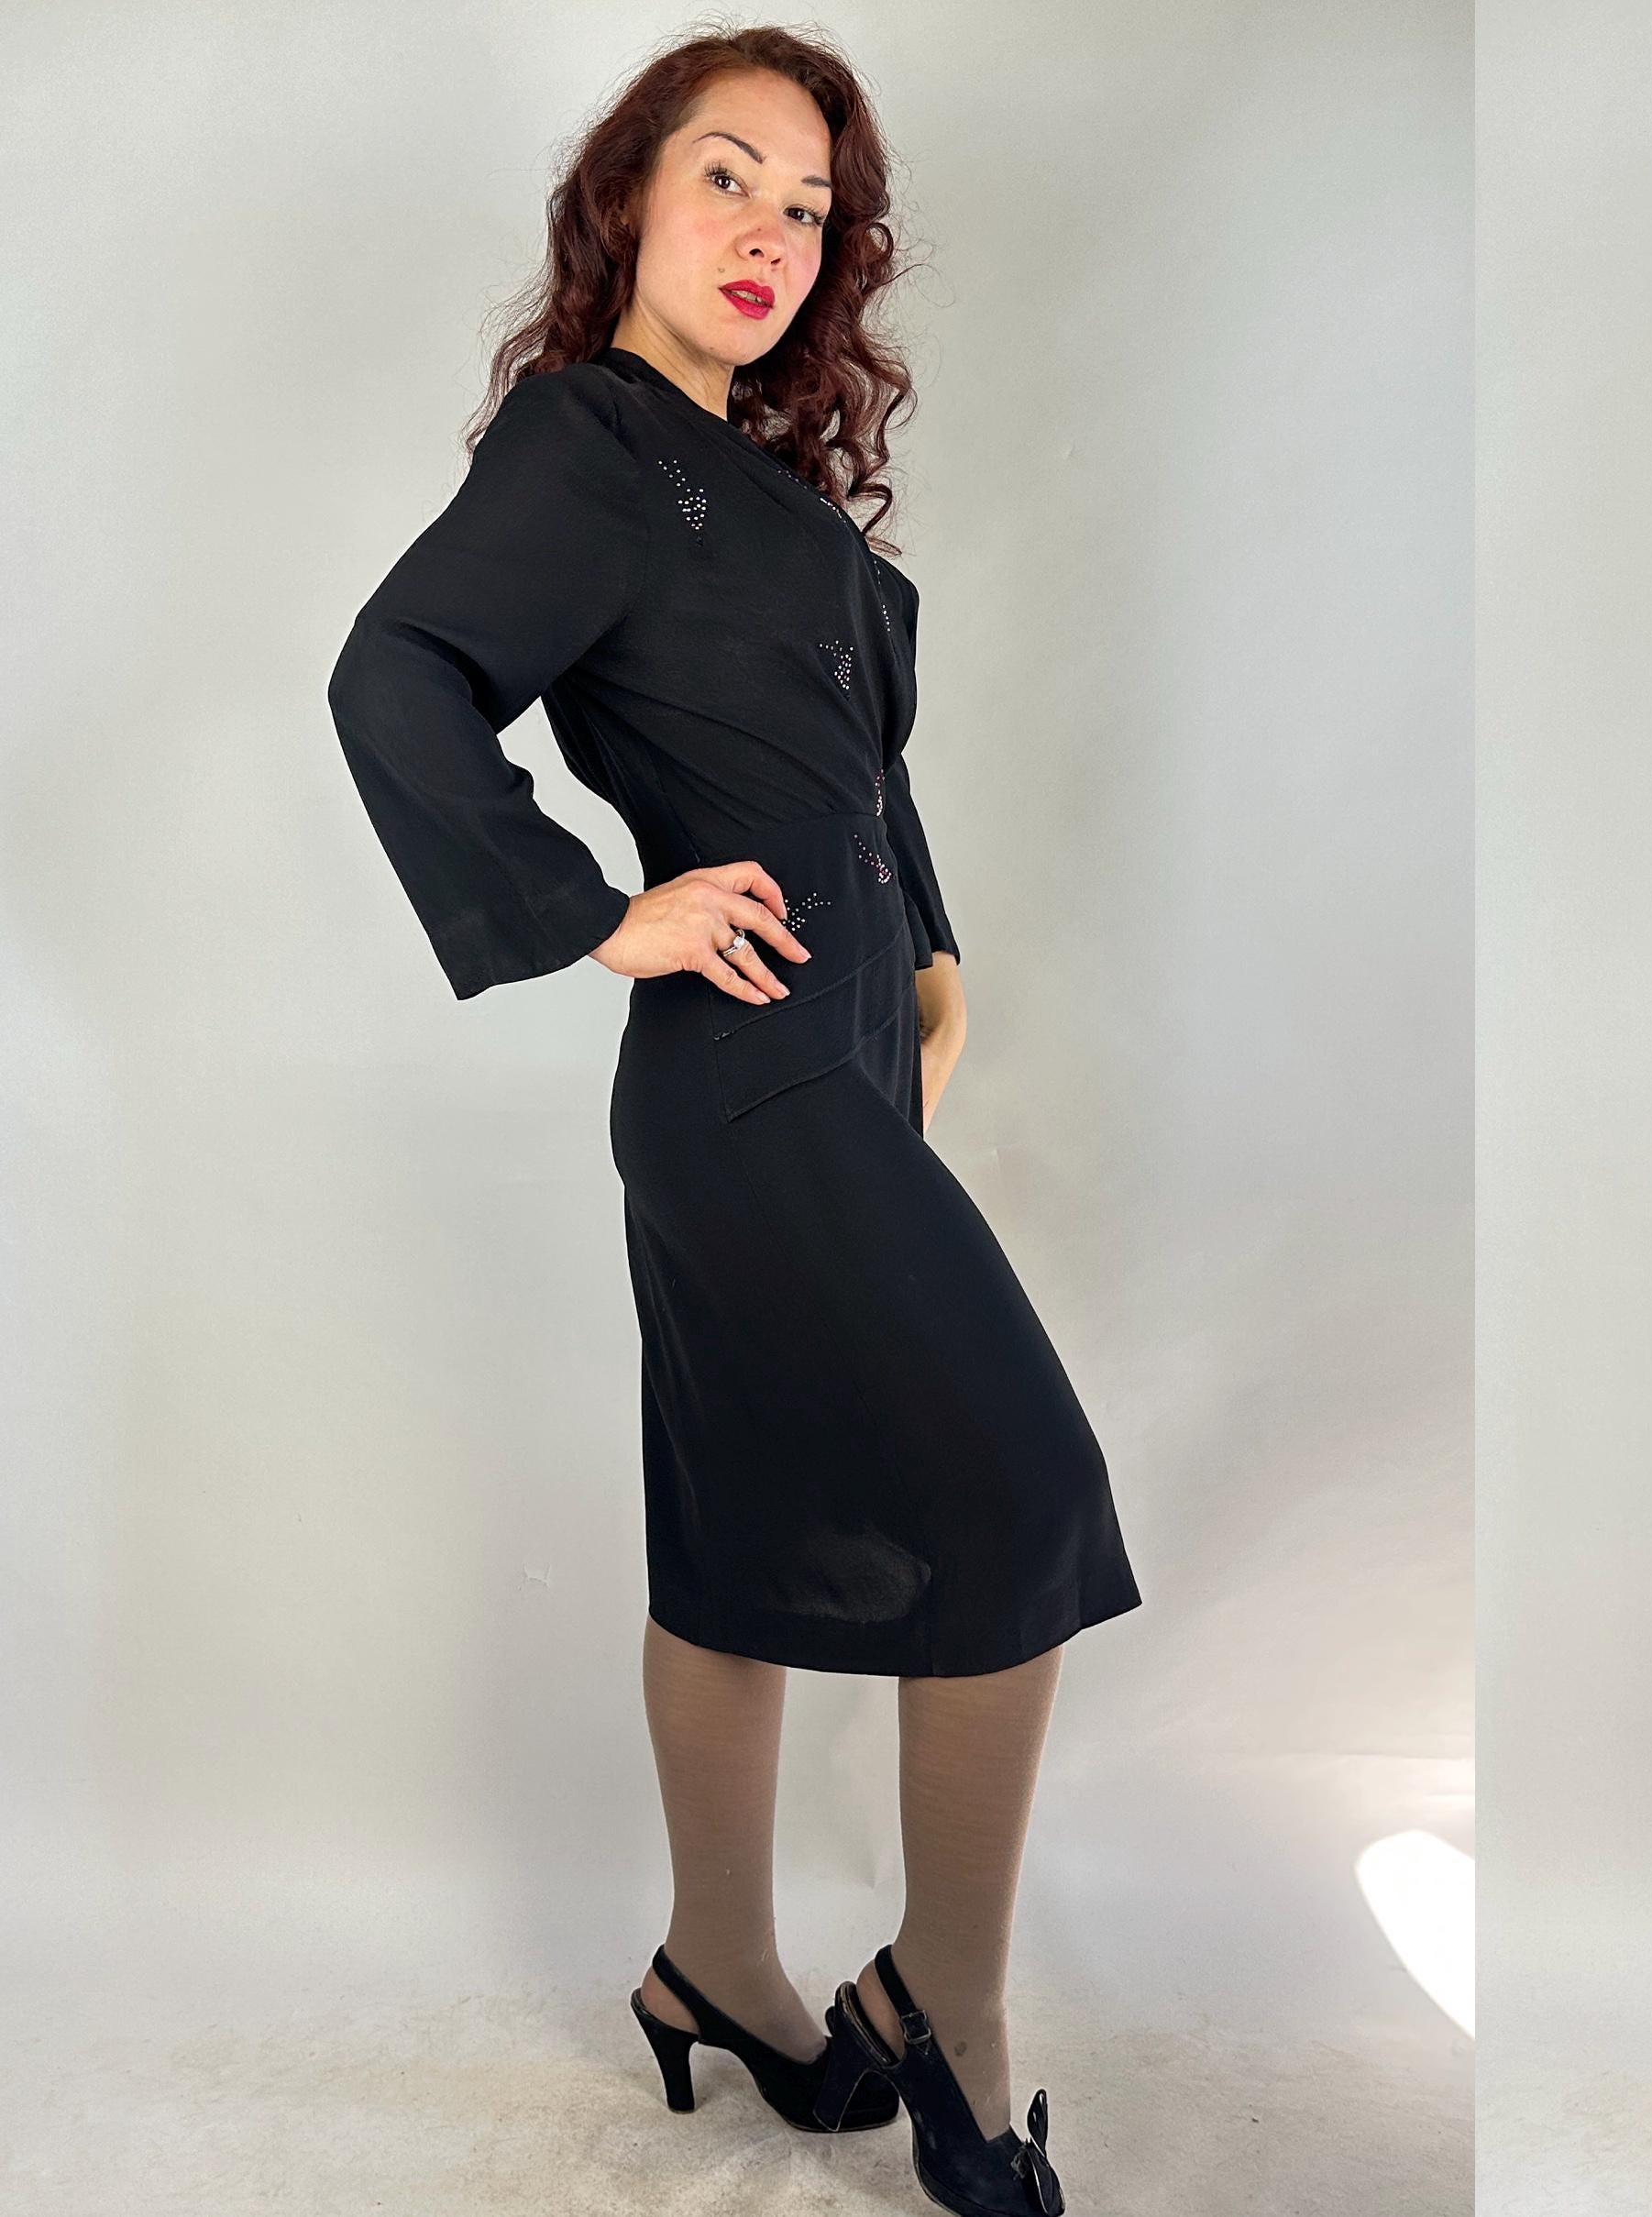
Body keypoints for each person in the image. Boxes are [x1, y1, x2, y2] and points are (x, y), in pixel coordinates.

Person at [326, 29, 1138, 2214]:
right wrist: (603, 914)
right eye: (728, 176)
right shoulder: (590, 445)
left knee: (740, 1529)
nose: (772, 229)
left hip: (840, 1055)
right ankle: (948, 2008)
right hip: (745, 1070)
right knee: (1020, 1494)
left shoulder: (750, 475)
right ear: (626, 196)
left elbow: (853, 770)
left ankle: (714, 1964)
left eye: (810, 204)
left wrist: (936, 954)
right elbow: (396, 674)